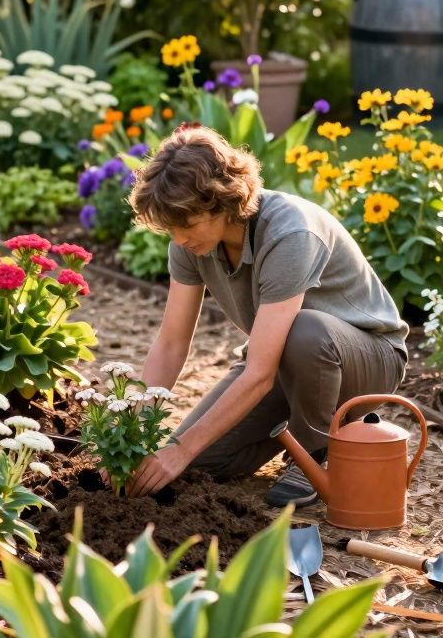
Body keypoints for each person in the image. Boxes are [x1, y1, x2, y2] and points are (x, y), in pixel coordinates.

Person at [123, 123, 409, 506]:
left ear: (222, 201)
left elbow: (259, 373)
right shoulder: (189, 243)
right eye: (170, 228)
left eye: (186, 224)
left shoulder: (291, 232)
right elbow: (172, 344)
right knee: (197, 463)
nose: (178, 238)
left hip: (366, 359)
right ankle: (301, 423)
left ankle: (317, 450)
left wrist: (179, 449)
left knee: (305, 331)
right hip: (284, 363)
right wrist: (136, 432)